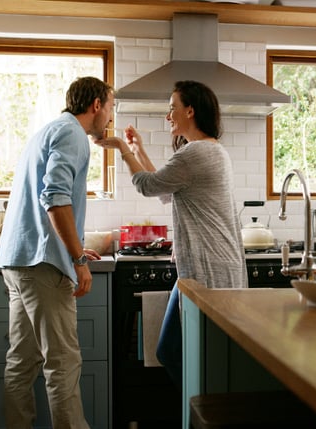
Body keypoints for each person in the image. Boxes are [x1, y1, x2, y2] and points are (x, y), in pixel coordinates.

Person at [98, 80, 248, 388]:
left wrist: (124, 149)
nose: (168, 115)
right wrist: (138, 150)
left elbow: (146, 185)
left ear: (189, 111)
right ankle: (197, 406)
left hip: (209, 270)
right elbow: (165, 190)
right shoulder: (210, 151)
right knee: (174, 351)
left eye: (172, 108)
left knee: (192, 354)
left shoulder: (196, 153)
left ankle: (201, 408)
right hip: (202, 269)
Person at [0, 76, 115, 429]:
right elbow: (55, 197)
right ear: (96, 105)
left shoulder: (47, 131)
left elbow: (46, 199)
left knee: (22, 361)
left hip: (19, 260)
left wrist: (77, 246)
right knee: (62, 362)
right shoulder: (74, 135)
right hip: (42, 265)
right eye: (110, 108)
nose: (109, 117)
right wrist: (76, 259)